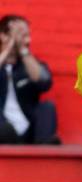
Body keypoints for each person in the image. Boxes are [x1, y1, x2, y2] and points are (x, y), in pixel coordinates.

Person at [0, 14, 59, 144]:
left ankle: (45, 148)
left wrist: (23, 50)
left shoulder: (30, 64)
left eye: (27, 35)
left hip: (29, 131)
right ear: (3, 36)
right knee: (4, 130)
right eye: (21, 34)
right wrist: (9, 47)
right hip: (3, 132)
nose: (27, 40)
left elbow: (44, 82)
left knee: (47, 107)